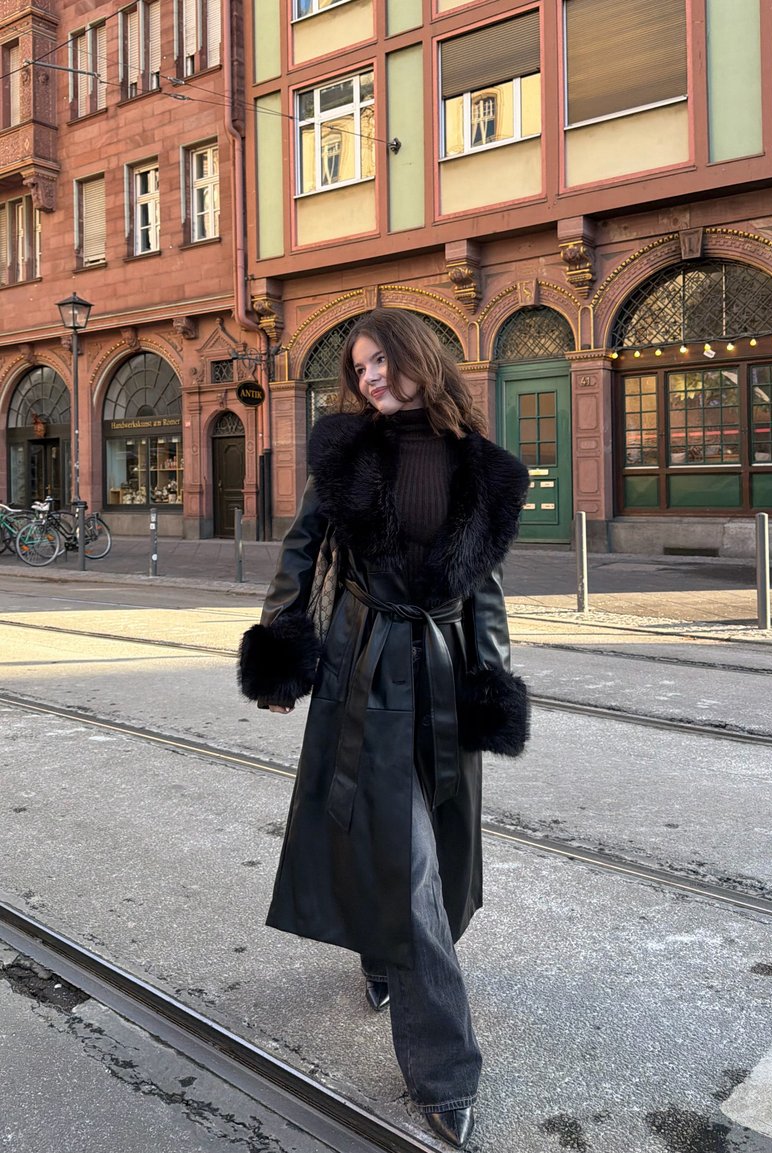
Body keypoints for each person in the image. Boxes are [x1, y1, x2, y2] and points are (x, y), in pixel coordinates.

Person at [238, 308, 530, 1149]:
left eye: (379, 361)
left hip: (442, 668)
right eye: (357, 366)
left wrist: (490, 680)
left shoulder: (481, 467)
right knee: (403, 865)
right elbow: (302, 554)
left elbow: (484, 591)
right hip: (362, 664)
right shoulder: (343, 453)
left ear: (417, 360)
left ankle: (383, 953)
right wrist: (282, 657)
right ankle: (446, 1070)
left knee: (435, 844)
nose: (366, 376)